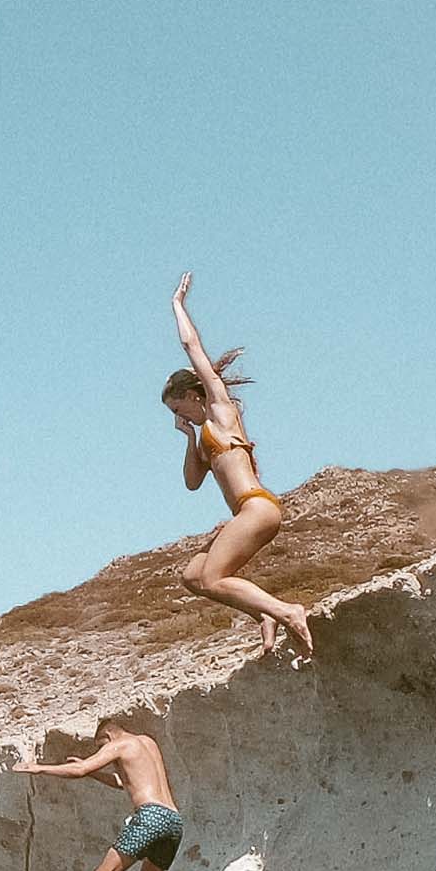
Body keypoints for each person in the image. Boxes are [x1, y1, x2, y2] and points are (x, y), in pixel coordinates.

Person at [162, 273, 313, 658]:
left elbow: (191, 345)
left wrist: (178, 305)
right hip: (244, 513)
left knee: (214, 577)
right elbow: (192, 484)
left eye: (179, 410)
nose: (180, 418)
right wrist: (189, 439)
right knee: (193, 575)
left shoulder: (220, 409)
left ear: (193, 396)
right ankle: (263, 614)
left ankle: (284, 611)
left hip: (257, 507)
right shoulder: (202, 436)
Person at [17, 723, 203, 871]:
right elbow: (122, 781)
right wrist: (96, 772)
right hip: (173, 821)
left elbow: (80, 770)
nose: (103, 753)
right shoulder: (147, 742)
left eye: (100, 747)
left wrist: (39, 769)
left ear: (108, 734)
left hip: (150, 817)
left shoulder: (119, 743)